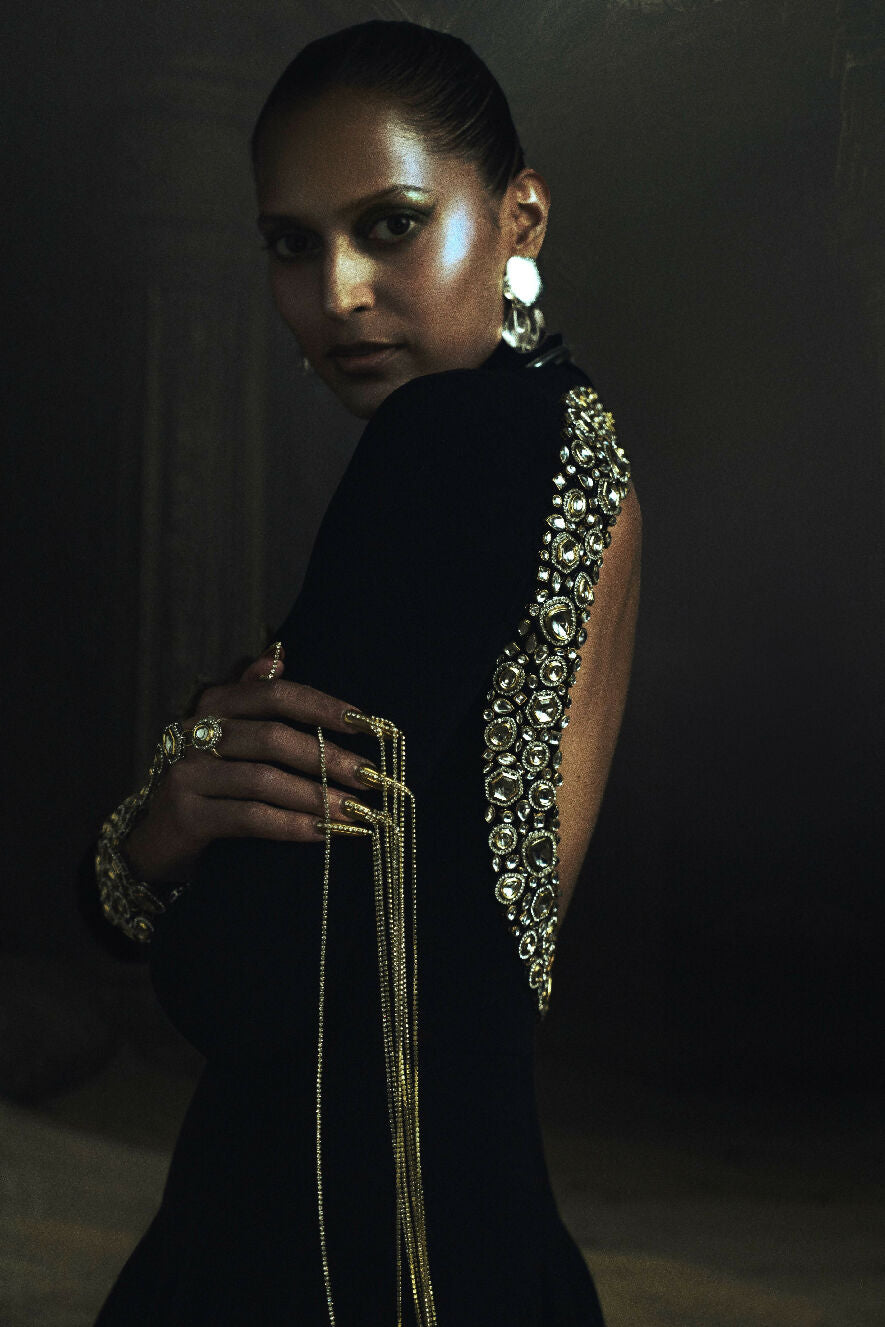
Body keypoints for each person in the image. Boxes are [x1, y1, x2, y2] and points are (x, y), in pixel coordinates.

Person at [92, 19, 641, 1327]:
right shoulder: (577, 429)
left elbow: (238, 981)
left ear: (519, 218)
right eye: (292, 242)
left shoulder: (448, 444)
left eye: (388, 226)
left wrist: (147, 840)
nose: (334, 289)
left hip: (334, 1249)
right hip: (474, 1218)